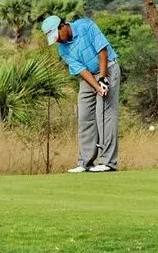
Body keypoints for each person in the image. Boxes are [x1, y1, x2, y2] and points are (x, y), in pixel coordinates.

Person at [42, 15, 121, 173]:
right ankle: (86, 162)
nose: (57, 41)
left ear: (62, 26)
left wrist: (103, 80)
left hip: (108, 69)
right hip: (89, 77)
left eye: (57, 37)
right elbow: (81, 70)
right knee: (85, 117)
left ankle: (108, 162)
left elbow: (102, 51)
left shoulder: (86, 26)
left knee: (104, 116)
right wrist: (96, 86)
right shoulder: (62, 48)